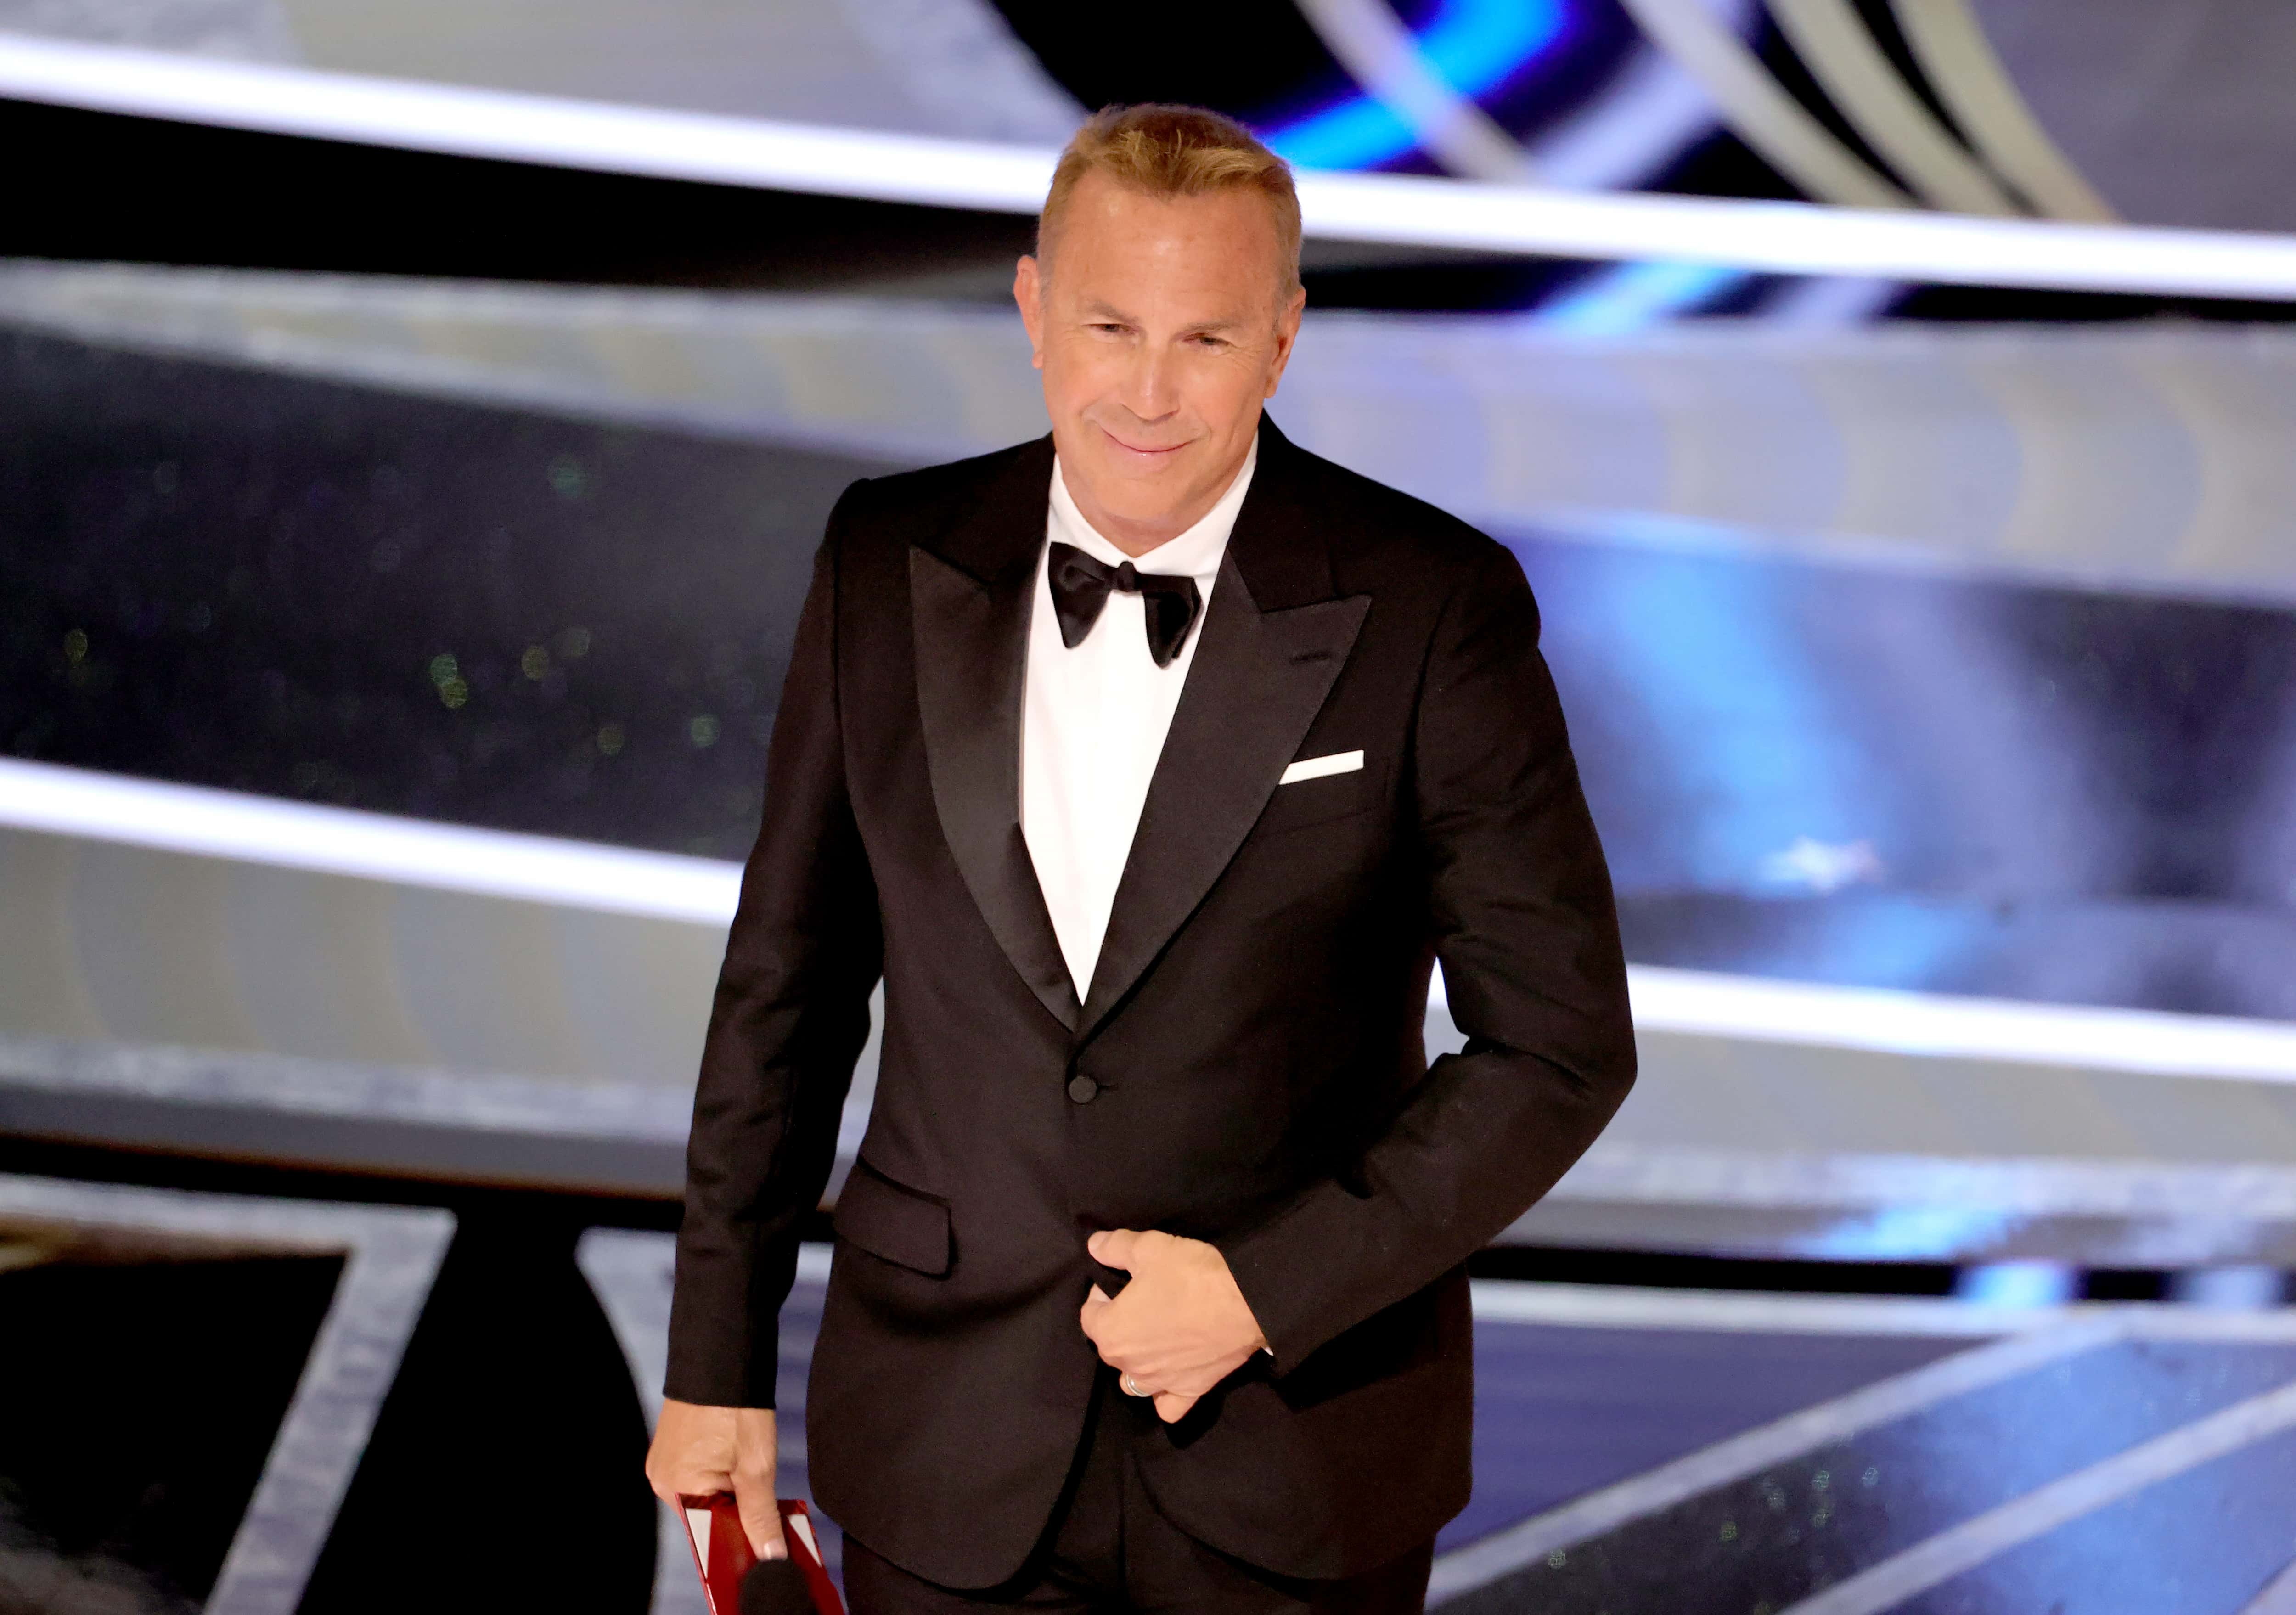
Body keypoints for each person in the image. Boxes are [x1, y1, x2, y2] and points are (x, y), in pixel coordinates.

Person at [646, 103, 1636, 1615]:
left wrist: (1264, 1290)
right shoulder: (879, 557)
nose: (1153, 393)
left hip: (1298, 1457)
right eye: (1112, 325)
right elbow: (786, 987)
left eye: (1209, 339)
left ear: (1287, 339)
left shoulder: (1434, 604)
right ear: (1035, 308)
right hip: (943, 1436)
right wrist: (716, 1359)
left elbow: (1559, 1046)